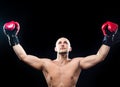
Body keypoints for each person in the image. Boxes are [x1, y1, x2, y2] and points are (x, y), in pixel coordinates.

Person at [3, 20, 120, 87]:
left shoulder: (77, 62)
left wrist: (108, 38)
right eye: (60, 42)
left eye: (65, 43)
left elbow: (100, 56)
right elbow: (23, 56)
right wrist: (12, 37)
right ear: (55, 48)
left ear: (70, 48)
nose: (62, 44)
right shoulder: (45, 63)